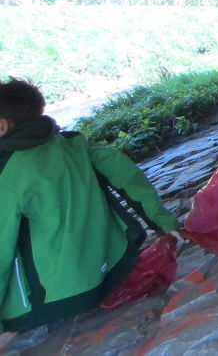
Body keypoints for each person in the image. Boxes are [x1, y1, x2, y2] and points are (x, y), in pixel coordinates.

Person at [0, 78, 179, 334]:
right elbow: (128, 178)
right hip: (112, 268)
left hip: (53, 300)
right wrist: (166, 225)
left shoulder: (7, 176)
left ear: (2, 125)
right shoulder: (74, 144)